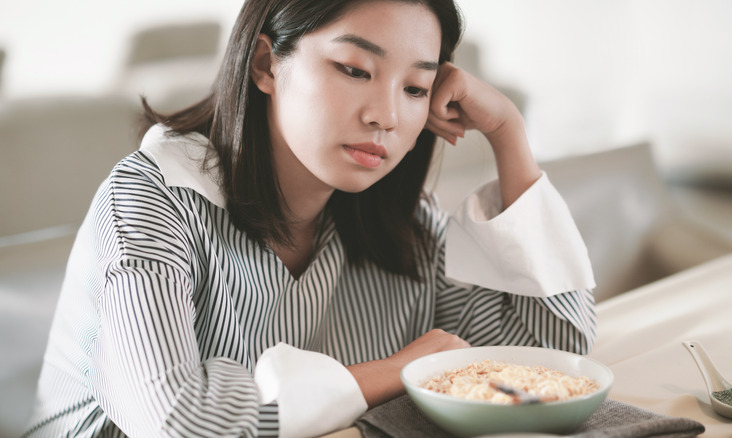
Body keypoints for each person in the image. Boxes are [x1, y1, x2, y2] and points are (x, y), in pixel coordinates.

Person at [23, 0, 596, 436]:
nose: (387, 116)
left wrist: (507, 134)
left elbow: (550, 348)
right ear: (267, 64)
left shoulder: (398, 216)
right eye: (354, 69)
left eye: (416, 87)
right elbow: (180, 418)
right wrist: (395, 372)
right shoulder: (152, 199)